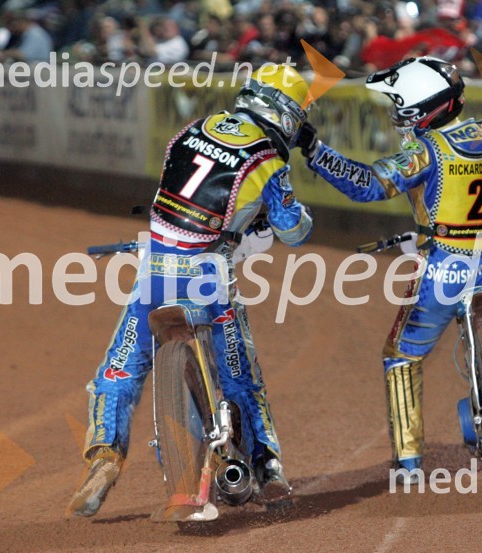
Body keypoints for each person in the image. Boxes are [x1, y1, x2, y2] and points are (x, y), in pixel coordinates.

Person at [297, 57, 482, 481]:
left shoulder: (423, 151)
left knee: (401, 357)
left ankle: (408, 463)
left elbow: (367, 185)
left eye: (402, 107)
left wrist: (315, 151)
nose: (398, 115)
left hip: (441, 270)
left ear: (423, 109)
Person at [68, 65, 314, 518]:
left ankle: (103, 455)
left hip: (157, 268)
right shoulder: (268, 161)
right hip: (208, 274)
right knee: (242, 377)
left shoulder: (190, 130)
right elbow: (293, 230)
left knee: (119, 369)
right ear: (282, 113)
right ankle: (268, 467)